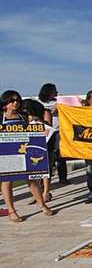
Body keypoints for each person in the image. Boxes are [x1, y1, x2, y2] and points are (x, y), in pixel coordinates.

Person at [1, 90, 54, 222]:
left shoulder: (24, 116)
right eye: (12, 101)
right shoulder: (0, 117)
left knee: (32, 179)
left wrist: (37, 122)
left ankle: (42, 204)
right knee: (7, 181)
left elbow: (41, 130)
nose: (16, 103)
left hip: (24, 152)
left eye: (17, 100)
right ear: (5, 104)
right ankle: (11, 211)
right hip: (7, 154)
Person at [20, 99, 52, 202]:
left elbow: (49, 127)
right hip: (30, 145)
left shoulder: (44, 113)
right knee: (33, 171)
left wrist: (39, 120)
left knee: (45, 170)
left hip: (44, 144)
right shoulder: (22, 117)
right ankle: (37, 193)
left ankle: (46, 192)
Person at [38, 83, 68, 185]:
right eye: (54, 91)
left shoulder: (59, 102)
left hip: (58, 131)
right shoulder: (39, 103)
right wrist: (51, 111)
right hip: (45, 132)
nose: (56, 92)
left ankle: (63, 177)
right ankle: (44, 180)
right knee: (47, 156)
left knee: (60, 155)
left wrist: (62, 102)